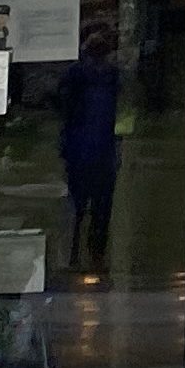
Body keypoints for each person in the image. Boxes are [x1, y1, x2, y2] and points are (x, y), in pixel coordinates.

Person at [52, 27, 124, 277]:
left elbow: (62, 105)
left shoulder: (82, 74)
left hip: (84, 149)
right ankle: (93, 256)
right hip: (97, 150)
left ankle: (76, 256)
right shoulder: (109, 75)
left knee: (80, 206)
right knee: (96, 208)